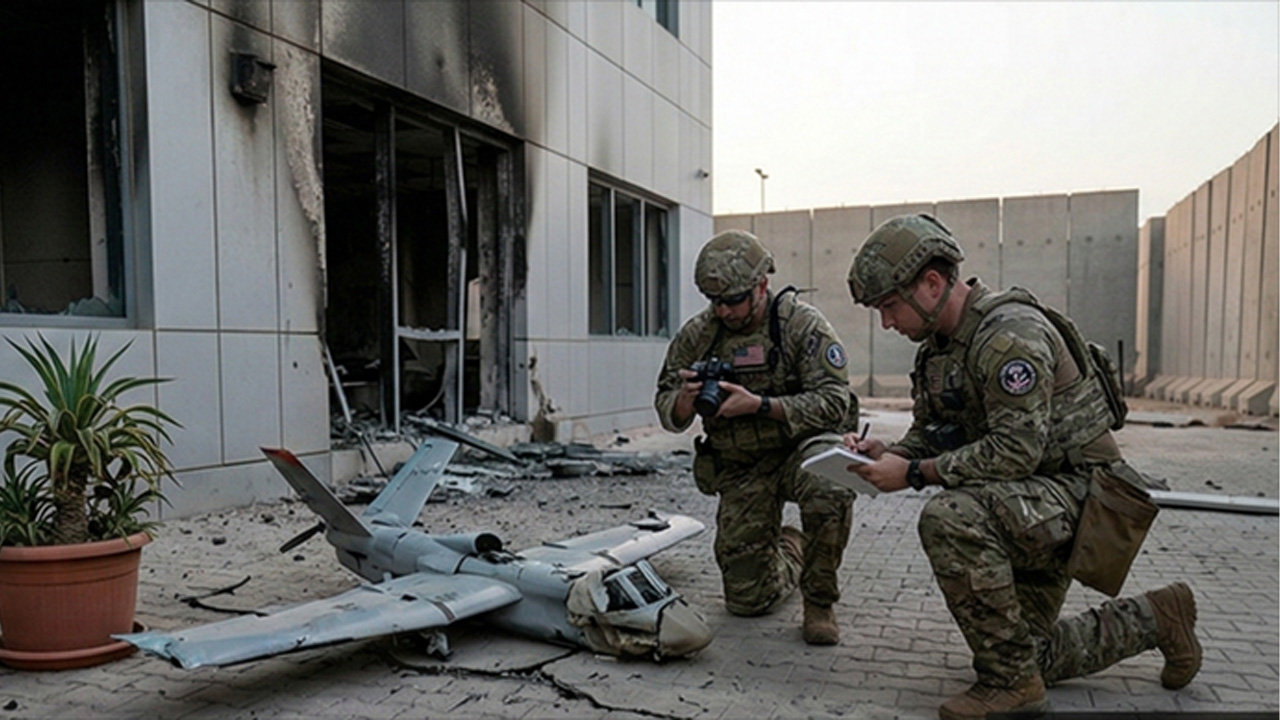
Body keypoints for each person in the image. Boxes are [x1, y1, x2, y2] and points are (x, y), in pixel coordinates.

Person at [843, 214, 1201, 719]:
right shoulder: (939, 352)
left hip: (1084, 495)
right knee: (1025, 652)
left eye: (891, 306)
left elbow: (1015, 450)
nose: (887, 322)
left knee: (950, 517)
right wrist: (894, 454)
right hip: (1028, 500)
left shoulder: (1009, 336)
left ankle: (1009, 686)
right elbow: (933, 432)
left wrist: (917, 474)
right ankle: (1159, 617)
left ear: (932, 283)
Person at [654, 229, 860, 645]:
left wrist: (761, 405)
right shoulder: (699, 334)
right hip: (742, 464)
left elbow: (836, 402)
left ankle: (819, 600)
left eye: (733, 300)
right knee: (747, 601)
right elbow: (664, 403)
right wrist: (685, 402)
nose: (724, 311)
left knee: (833, 482)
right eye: (715, 302)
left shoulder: (801, 325)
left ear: (761, 286)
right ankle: (793, 548)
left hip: (799, 452)